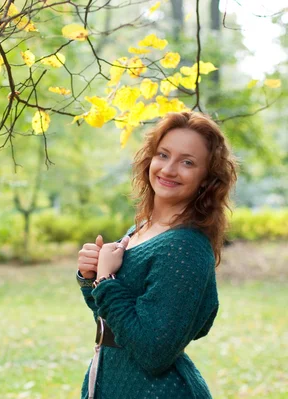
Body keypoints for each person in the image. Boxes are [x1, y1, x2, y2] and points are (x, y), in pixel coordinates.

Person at [76, 111, 238, 399]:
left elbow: (153, 351)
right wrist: (92, 278)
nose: (169, 169)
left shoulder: (185, 246)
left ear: (206, 178)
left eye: (187, 162)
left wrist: (106, 279)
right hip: (113, 381)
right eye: (163, 155)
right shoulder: (140, 229)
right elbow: (114, 325)